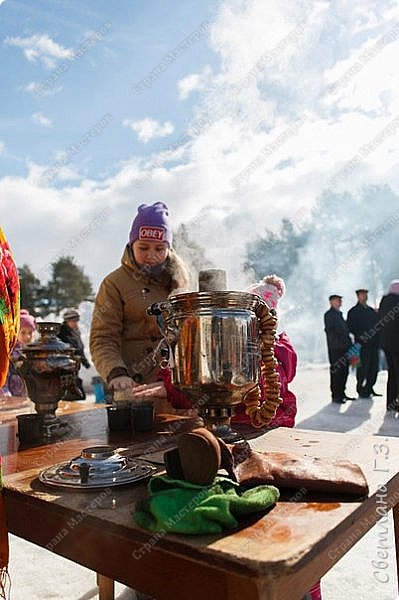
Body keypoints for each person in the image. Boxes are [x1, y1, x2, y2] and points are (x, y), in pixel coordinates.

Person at [89, 202, 189, 412]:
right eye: (143, 247)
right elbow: (103, 337)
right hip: (131, 388)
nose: (151, 255)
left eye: (159, 249)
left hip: (174, 391)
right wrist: (116, 372)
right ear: (131, 245)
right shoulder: (114, 283)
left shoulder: (181, 282)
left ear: (169, 249)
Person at [347, 289, 380, 399]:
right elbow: (350, 328)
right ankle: (361, 389)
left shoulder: (371, 311)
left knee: (374, 367)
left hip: (373, 344)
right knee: (362, 368)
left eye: (365, 294)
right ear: (357, 296)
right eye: (362, 294)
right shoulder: (353, 311)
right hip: (360, 345)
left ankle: (370, 387)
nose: (364, 296)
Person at [324, 295, 354, 404]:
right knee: (337, 372)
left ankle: (342, 393)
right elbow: (331, 332)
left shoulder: (340, 314)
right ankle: (336, 395)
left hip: (345, 348)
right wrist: (342, 341)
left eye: (340, 300)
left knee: (344, 371)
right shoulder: (329, 315)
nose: (339, 302)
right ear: (331, 302)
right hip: (335, 348)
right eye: (337, 300)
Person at [0, 309, 36, 397]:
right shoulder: (9, 351)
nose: (27, 336)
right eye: (23, 332)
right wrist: (5, 392)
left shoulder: (31, 351)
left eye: (30, 333)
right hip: (12, 394)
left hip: (27, 394)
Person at [58, 308, 90, 400]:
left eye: (76, 320)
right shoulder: (60, 333)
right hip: (64, 367)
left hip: (75, 366)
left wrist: (84, 361)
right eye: (73, 321)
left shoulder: (76, 332)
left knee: (79, 394)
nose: (75, 323)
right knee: (71, 393)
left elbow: (79, 347)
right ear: (67, 321)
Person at [378, 280, 399, 411]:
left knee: (392, 373)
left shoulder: (384, 302)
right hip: (397, 345)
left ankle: (390, 403)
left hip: (386, 345)